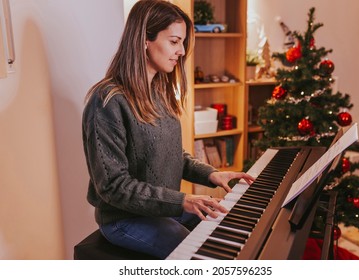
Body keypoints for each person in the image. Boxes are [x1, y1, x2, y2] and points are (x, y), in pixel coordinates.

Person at [82, 0, 255, 260]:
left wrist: (212, 174)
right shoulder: (107, 101)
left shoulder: (159, 92)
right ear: (144, 40)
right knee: (198, 254)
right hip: (124, 219)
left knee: (227, 226)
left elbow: (173, 154)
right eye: (174, 41)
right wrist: (182, 201)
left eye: (182, 42)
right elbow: (113, 186)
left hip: (160, 210)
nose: (182, 51)